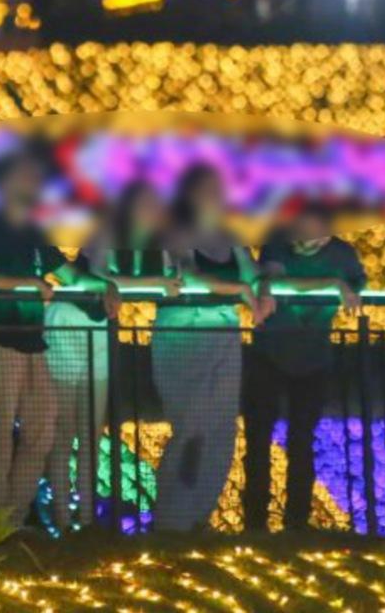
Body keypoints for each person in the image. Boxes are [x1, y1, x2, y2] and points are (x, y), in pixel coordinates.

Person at [43, 180, 179, 533]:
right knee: (65, 428)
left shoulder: (159, 245)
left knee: (91, 428)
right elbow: (103, 281)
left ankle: (86, 519)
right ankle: (60, 514)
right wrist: (156, 285)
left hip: (102, 331)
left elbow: (164, 282)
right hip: (70, 323)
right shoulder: (104, 234)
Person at [242, 200, 366, 533]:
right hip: (269, 354)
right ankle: (254, 521)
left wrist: (343, 287)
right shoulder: (278, 244)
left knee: (301, 441)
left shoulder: (343, 255)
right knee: (257, 439)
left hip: (314, 359)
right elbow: (274, 282)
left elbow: (357, 285)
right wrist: (333, 284)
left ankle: (296, 521)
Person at [152, 163, 262, 531]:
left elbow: (253, 274)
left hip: (224, 333)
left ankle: (199, 515)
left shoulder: (230, 234)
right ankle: (172, 519)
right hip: (185, 333)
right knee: (192, 427)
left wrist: (261, 290)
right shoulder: (175, 231)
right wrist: (239, 291)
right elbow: (189, 274)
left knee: (221, 430)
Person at [0, 153, 58, 530]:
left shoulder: (36, 231)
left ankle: (11, 518)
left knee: (42, 427)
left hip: (34, 343)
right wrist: (27, 284)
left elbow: (67, 271)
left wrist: (105, 286)